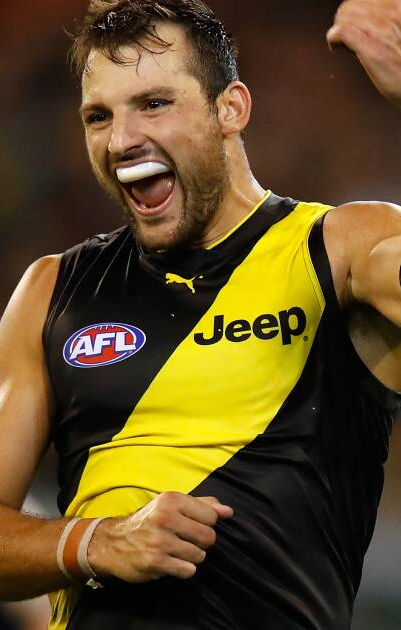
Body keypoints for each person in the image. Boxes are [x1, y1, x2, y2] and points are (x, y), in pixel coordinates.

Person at [0, 0, 401, 628]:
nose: (122, 140)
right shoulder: (52, 291)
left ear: (231, 109)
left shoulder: (341, 250)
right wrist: (95, 542)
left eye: (154, 103)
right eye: (99, 116)